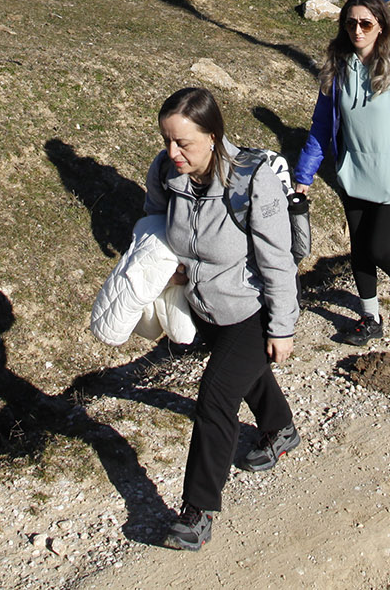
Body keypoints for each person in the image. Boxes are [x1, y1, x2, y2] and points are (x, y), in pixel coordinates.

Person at [146, 87, 300, 551]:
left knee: (215, 396)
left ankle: (196, 512)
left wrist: (282, 326)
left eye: (183, 144)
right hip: (204, 306)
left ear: (213, 137)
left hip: (251, 309)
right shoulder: (165, 172)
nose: (172, 152)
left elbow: (277, 259)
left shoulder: (251, 181)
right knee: (242, 376)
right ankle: (280, 428)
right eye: (166, 140)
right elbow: (154, 224)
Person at [292, 0, 390, 345]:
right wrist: (304, 174)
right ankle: (370, 317)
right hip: (355, 174)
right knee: (359, 249)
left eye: (366, 23)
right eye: (351, 23)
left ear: (381, 26)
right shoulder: (337, 68)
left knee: (381, 248)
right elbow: (322, 125)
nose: (358, 30)